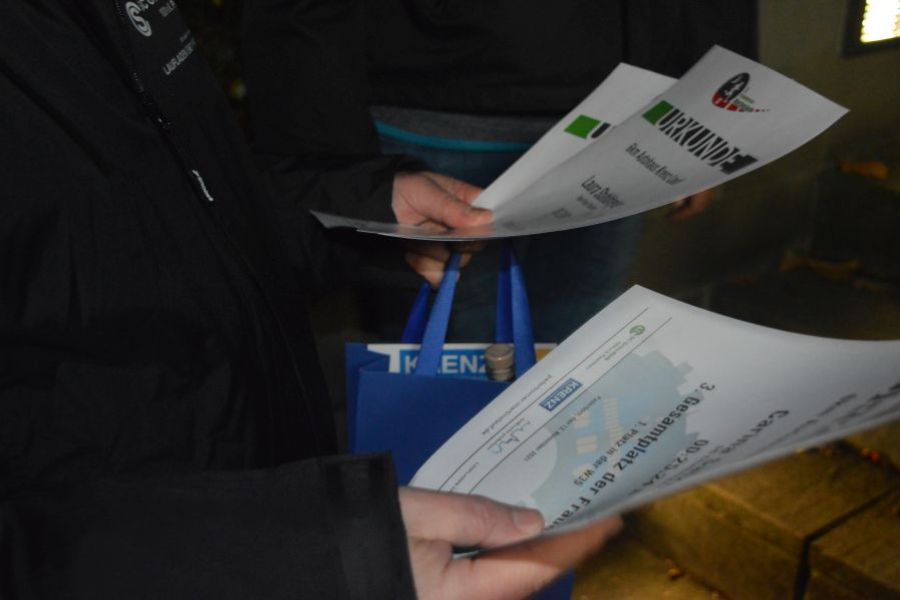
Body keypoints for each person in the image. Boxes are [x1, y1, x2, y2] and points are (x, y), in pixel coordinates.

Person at [0, 0, 622, 598]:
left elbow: (172, 201)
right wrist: (310, 562)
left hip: (259, 464)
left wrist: (361, 209)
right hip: (179, 540)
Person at [242, 0, 755, 341]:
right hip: (432, 100)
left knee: (573, 361)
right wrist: (331, 171)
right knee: (447, 376)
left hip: (618, 110)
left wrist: (709, 106)